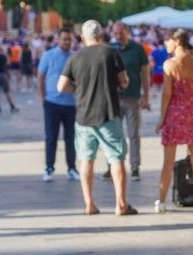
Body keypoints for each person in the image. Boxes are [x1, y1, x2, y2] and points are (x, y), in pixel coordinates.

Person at [57, 20, 138, 216]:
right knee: (116, 157)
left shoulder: (75, 57)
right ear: (100, 35)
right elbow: (124, 81)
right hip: (108, 112)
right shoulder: (111, 53)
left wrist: (79, 88)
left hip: (84, 115)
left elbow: (61, 87)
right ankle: (121, 204)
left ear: (83, 37)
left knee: (86, 159)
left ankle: (89, 204)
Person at [154, 29, 193, 213]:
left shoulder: (170, 64)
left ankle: (161, 202)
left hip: (174, 113)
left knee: (168, 161)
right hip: (192, 111)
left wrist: (161, 118)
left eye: (168, 40)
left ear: (177, 41)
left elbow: (167, 93)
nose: (166, 44)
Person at [105, 22, 150, 181]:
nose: (118, 37)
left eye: (121, 33)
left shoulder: (137, 49)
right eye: (116, 34)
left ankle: (135, 166)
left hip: (132, 96)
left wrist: (146, 96)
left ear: (127, 32)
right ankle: (111, 165)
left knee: (133, 133)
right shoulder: (109, 48)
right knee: (112, 133)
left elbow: (145, 73)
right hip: (113, 97)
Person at [38, 28, 78, 182]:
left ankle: (71, 168)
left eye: (69, 39)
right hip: (52, 102)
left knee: (71, 138)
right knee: (51, 137)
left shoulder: (74, 57)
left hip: (70, 103)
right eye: (64, 39)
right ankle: (49, 167)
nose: (67, 42)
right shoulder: (48, 56)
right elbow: (41, 76)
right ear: (58, 39)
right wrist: (42, 98)